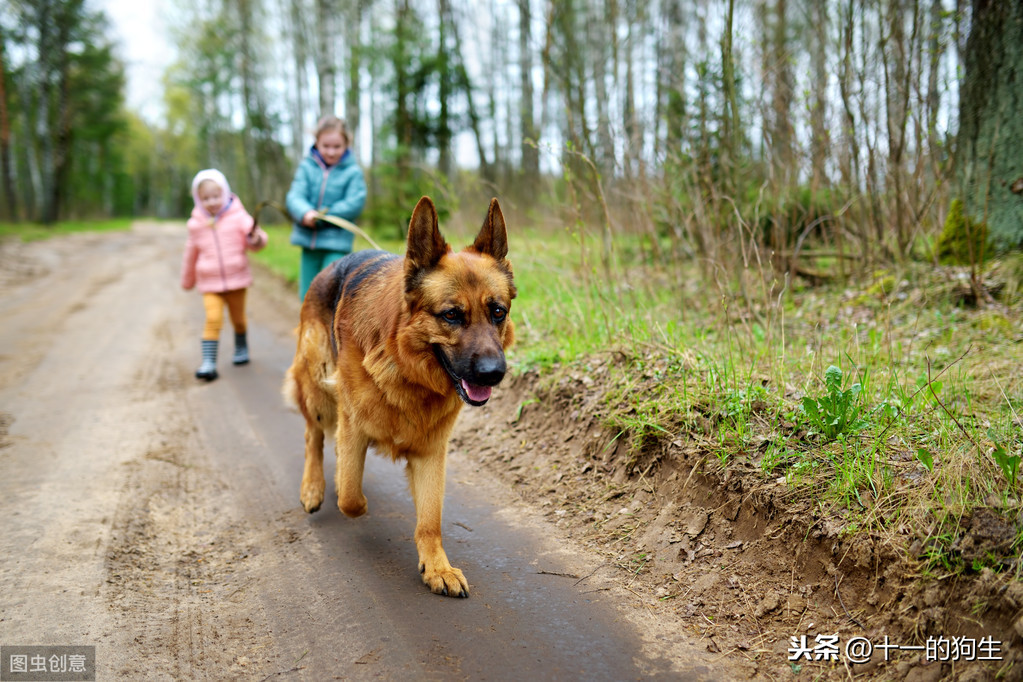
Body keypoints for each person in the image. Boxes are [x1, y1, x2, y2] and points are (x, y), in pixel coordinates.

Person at [180, 168, 268, 381]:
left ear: (226, 193)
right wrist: (188, 279)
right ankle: (208, 363)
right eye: (206, 198)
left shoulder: (238, 216)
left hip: (237, 280)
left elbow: (255, 239)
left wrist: (256, 239)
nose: (212, 202)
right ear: (198, 199)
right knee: (213, 319)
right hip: (210, 283)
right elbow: (190, 253)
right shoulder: (196, 224)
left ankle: (241, 348)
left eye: (216, 196)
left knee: (238, 320)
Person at [286, 114, 367, 300]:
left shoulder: (352, 172)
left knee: (328, 292)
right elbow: (295, 196)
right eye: (326, 146)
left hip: (336, 243)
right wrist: (305, 213)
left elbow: (355, 202)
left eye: (337, 147)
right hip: (309, 242)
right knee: (307, 294)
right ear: (316, 143)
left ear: (347, 144)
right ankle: (307, 329)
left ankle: (329, 329)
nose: (331, 152)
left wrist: (324, 216)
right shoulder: (307, 167)